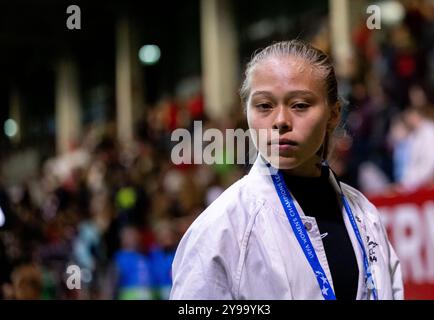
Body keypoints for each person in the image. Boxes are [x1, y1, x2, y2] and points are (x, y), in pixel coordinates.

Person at [170, 40, 403, 300]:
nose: (280, 121)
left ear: (334, 113)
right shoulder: (221, 229)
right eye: (264, 106)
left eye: (300, 105)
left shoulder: (365, 214)